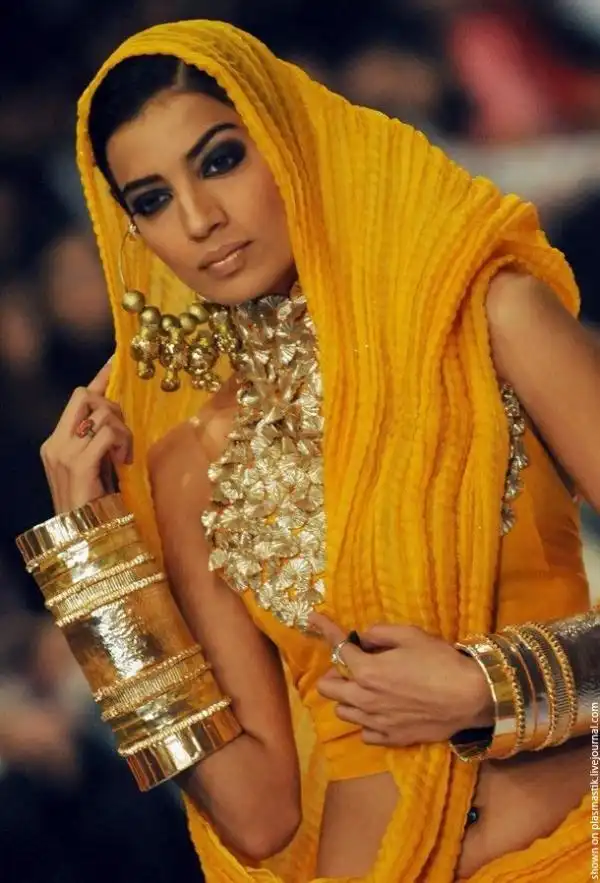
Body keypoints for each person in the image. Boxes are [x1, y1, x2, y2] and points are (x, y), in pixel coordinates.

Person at [15, 19, 600, 883]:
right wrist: (90, 568)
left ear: (290, 142)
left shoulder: (482, 320)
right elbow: (256, 813)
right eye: (153, 199)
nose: (201, 219)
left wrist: (491, 687)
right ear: (134, 233)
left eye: (220, 160)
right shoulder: (188, 467)